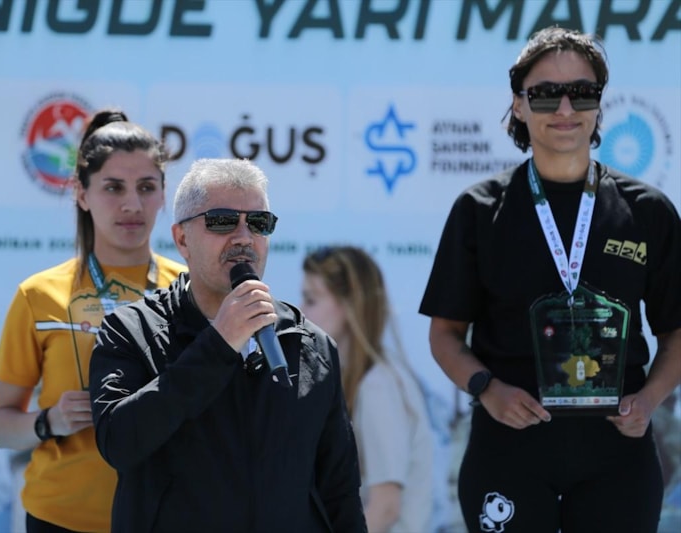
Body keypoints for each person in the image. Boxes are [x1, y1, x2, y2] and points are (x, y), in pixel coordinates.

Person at [419, 26, 681, 533]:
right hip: (508, 447)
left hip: (617, 452)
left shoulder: (648, 211)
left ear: (599, 105)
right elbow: (444, 336)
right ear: (519, 105)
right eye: (544, 94)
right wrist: (488, 389)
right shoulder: (479, 209)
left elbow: (676, 334)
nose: (565, 108)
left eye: (581, 92)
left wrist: (648, 401)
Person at [88, 158, 367, 533]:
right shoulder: (131, 330)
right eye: (222, 221)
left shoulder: (310, 343)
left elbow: (340, 491)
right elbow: (119, 442)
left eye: (259, 223)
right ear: (182, 239)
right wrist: (218, 343)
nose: (243, 238)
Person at [0, 109, 186, 533]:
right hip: (61, 518)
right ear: (81, 194)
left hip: (164, 516)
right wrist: (48, 421)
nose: (132, 204)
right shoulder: (39, 296)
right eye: (113, 187)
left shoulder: (191, 291)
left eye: (146, 187)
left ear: (162, 194)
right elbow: (0, 426)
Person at [302, 245, 436, 533]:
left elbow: (385, 508)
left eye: (311, 299)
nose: (301, 311)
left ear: (349, 304)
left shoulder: (378, 385)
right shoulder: (359, 378)